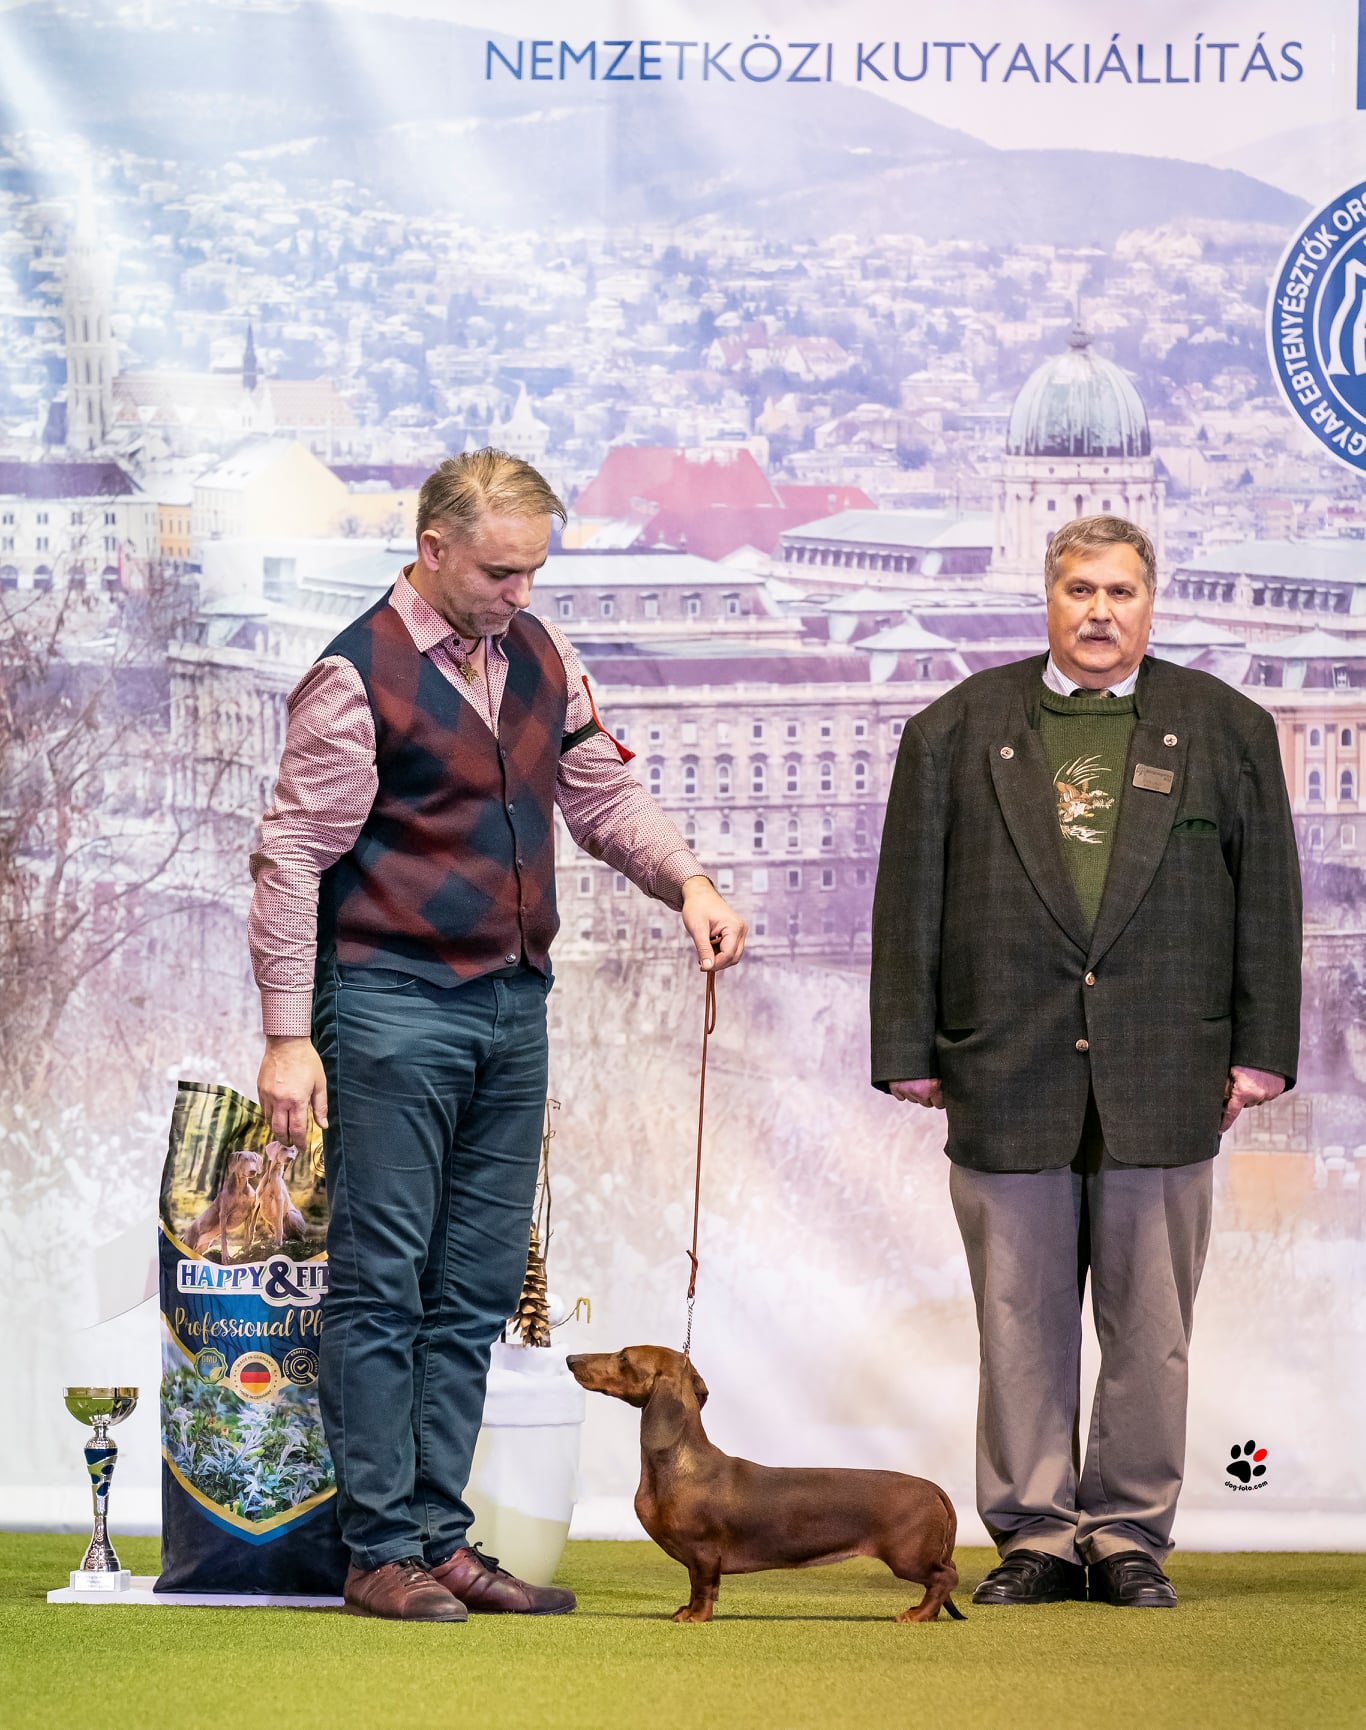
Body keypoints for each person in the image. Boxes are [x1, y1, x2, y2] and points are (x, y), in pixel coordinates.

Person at [249, 449, 747, 1622]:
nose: (519, 592)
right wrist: (286, 1035)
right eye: (498, 572)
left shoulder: (541, 654)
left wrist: (687, 880)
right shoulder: (353, 676)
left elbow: (601, 793)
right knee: (382, 1285)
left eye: (532, 571)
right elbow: (290, 861)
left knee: (472, 1288)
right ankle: (380, 1549)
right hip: (387, 1002)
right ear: (432, 549)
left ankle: (439, 1535)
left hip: (512, 1004)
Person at [870, 514, 1300, 1609]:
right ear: (1048, 598)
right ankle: (1036, 1534)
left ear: (1150, 603)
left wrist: (1261, 1053)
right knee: (1018, 1321)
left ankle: (1127, 1532)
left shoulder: (1229, 728)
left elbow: (1268, 905)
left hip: (1170, 1070)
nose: (1099, 612)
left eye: (1120, 592)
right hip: (1004, 1065)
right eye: (1079, 590)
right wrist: (907, 1048)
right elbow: (908, 898)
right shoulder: (954, 728)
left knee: (1152, 1328)